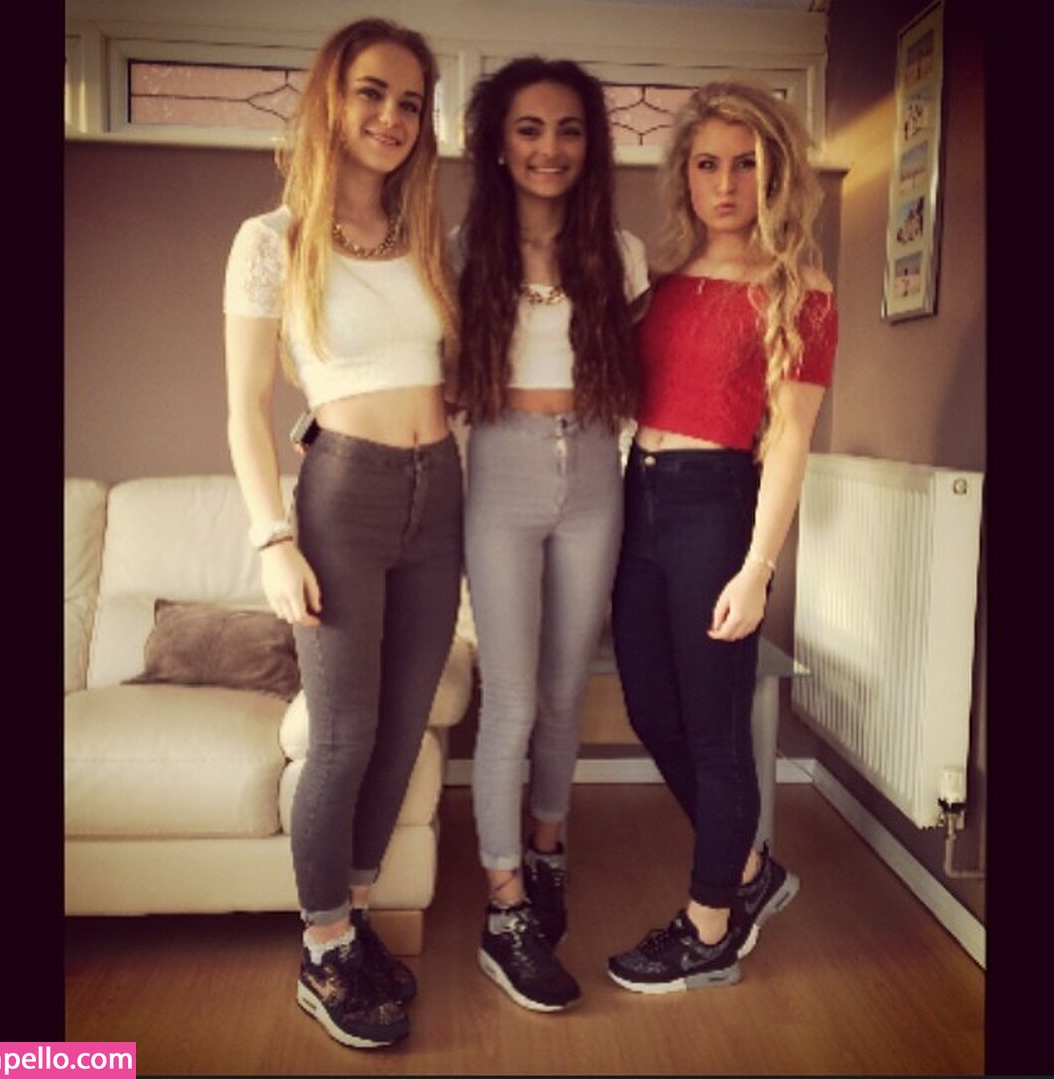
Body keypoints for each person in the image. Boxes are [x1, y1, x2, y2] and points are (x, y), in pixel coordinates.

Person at [222, 18, 463, 1049]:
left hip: (439, 492)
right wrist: (271, 537)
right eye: (372, 92)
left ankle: (352, 920)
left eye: (410, 101)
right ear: (331, 99)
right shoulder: (270, 240)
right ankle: (322, 950)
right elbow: (244, 409)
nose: (392, 117)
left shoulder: (431, 240)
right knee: (344, 735)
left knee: (403, 728)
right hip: (343, 499)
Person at [606, 80, 838, 994]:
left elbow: (791, 441)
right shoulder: (655, 284)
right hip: (638, 498)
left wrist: (757, 567)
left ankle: (711, 928)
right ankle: (748, 870)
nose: (727, 183)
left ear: (774, 177)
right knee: (650, 708)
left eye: (747, 165)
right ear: (685, 176)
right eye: (708, 164)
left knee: (714, 725)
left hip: (716, 505)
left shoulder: (800, 290)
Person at [452, 57, 649, 1013]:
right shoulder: (463, 251)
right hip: (502, 469)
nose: (549, 147)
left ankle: (546, 848)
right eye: (529, 128)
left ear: (590, 144)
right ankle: (504, 907)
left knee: (569, 691)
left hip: (596, 473)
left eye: (569, 128)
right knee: (514, 697)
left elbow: (646, 371)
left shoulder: (621, 252)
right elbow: (421, 366)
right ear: (499, 142)